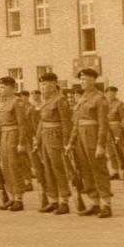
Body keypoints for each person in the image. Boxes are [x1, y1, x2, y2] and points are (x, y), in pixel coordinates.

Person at [66, 68, 112, 217]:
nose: (82, 82)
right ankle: (95, 202)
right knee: (86, 171)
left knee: (98, 169)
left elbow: (103, 124)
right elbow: (76, 123)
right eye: (81, 79)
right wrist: (71, 142)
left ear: (93, 80)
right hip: (80, 137)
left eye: (85, 79)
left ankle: (106, 203)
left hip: (93, 135)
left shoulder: (99, 98)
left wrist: (100, 145)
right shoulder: (82, 98)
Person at [33, 72, 72, 214]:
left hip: (56, 137)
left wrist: (66, 142)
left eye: (45, 84)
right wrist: (37, 140)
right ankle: (53, 200)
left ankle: (64, 201)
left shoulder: (60, 100)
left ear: (54, 84)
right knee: (48, 169)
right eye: (41, 84)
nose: (42, 87)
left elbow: (66, 123)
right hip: (45, 137)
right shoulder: (45, 101)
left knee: (58, 168)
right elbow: (41, 122)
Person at [0, 76, 31, 211]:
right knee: (6, 167)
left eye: (3, 87)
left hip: (13, 135)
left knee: (14, 166)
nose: (0, 90)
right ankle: (11, 196)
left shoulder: (17, 102)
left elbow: (22, 124)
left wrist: (21, 142)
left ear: (11, 88)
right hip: (4, 136)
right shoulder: (3, 104)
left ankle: (19, 198)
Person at [104, 86, 124, 185]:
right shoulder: (104, 104)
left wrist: (120, 131)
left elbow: (123, 119)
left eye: (113, 93)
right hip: (107, 129)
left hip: (116, 128)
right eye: (109, 93)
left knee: (120, 150)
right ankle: (115, 171)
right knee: (110, 151)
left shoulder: (119, 104)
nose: (110, 95)